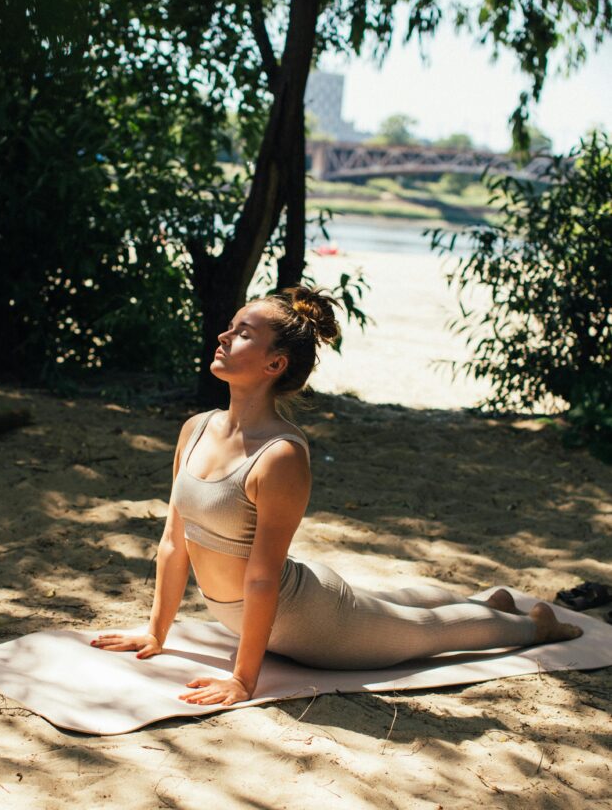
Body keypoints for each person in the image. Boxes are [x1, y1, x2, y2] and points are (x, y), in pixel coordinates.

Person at [91, 286, 583, 706]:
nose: (224, 335)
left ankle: (534, 624)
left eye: (243, 333)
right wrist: (156, 632)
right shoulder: (195, 429)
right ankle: (491, 600)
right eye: (231, 325)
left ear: (274, 363)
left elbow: (262, 578)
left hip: (311, 622)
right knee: (399, 608)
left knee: (430, 634)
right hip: (267, 606)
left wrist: (243, 680)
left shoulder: (280, 455)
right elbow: (174, 543)